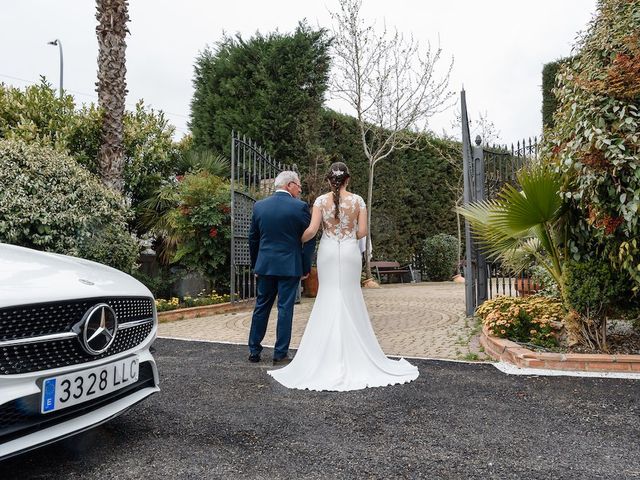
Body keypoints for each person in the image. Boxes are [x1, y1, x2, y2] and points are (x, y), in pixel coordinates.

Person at [268, 162, 419, 391]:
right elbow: (363, 232)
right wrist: (347, 234)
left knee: (328, 295)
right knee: (349, 295)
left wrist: (295, 240)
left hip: (328, 252)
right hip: (349, 252)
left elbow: (311, 231)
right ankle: (355, 351)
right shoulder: (358, 201)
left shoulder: (320, 201)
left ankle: (324, 353)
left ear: (329, 180)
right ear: (348, 179)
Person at [248, 171, 315, 365]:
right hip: (289, 266)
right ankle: (280, 353)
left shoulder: (259, 206)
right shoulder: (300, 207)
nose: (300, 189)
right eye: (299, 185)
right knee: (285, 309)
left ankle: (254, 351)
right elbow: (309, 238)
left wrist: (256, 264)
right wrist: (305, 266)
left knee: (261, 307)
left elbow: (253, 238)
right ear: (290, 185)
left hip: (265, 266)